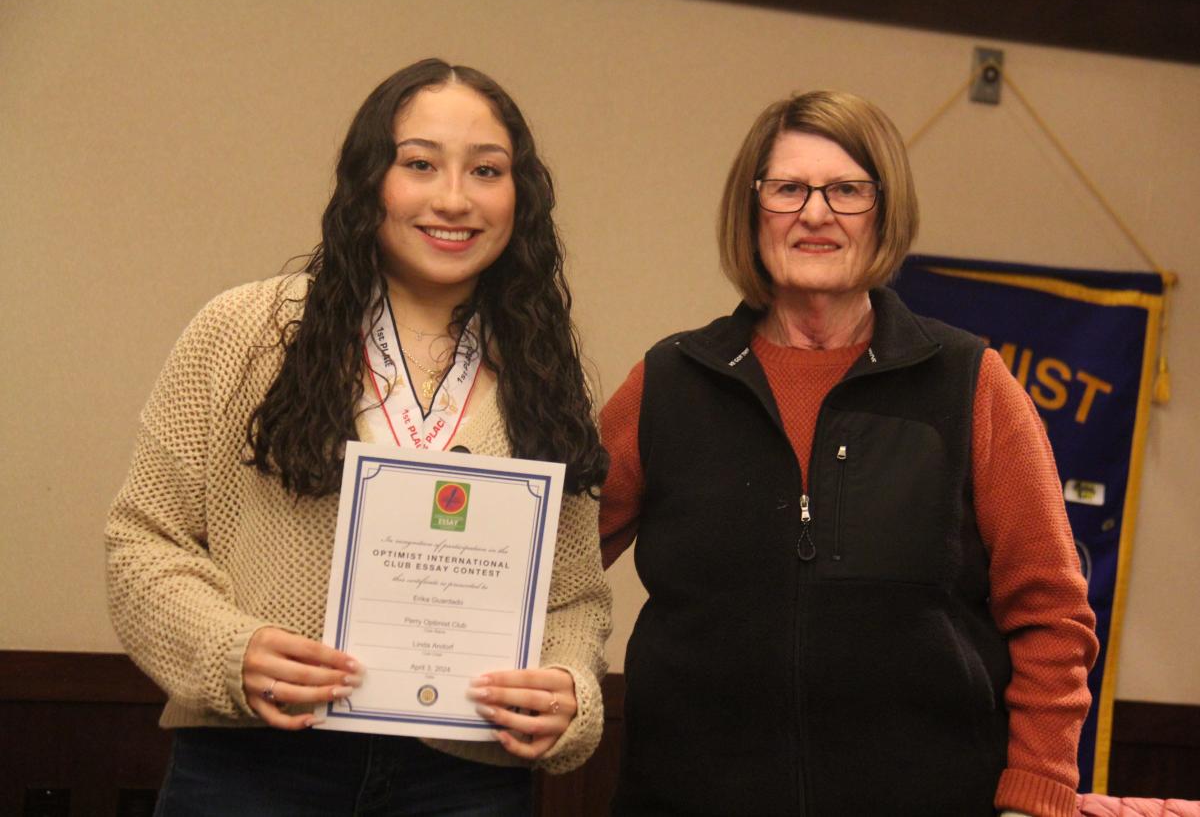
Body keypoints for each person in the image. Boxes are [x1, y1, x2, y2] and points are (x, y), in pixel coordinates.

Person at [106, 58, 611, 815]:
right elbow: (143, 542)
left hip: (464, 781)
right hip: (256, 767)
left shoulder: (541, 370)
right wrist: (228, 652)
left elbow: (572, 599)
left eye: (486, 170)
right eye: (419, 164)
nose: (454, 198)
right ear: (368, 179)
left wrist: (569, 690)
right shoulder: (244, 331)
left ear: (521, 195)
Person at [599, 90, 1098, 817]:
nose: (815, 212)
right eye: (789, 188)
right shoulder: (670, 380)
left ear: (883, 213)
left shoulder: (972, 383)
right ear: (752, 209)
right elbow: (555, 559)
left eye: (847, 190)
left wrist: (1037, 794)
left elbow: (1053, 613)